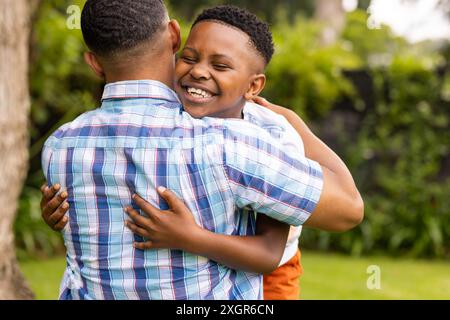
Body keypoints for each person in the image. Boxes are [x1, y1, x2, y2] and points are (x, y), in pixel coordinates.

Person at [41, 0, 363, 300]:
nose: (198, 71)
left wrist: (292, 121)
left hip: (277, 267)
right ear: (174, 38)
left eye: (220, 65)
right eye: (190, 58)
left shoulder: (59, 148)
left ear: (94, 63)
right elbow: (348, 208)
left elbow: (270, 253)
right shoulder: (226, 145)